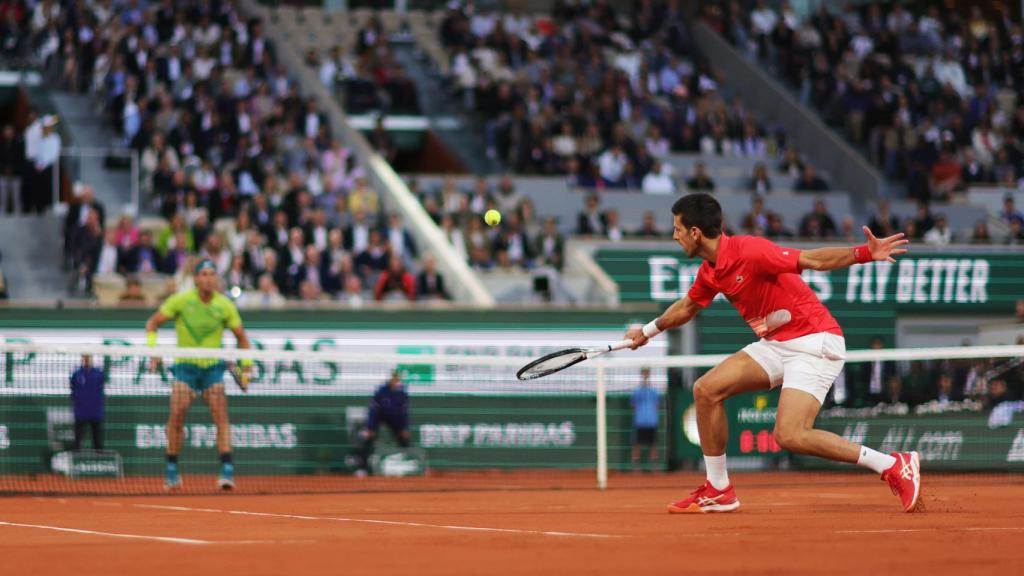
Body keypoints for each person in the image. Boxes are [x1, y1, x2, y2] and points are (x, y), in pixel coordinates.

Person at [624, 193, 921, 514]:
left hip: (814, 341)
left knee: (790, 435)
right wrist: (648, 331)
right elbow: (687, 306)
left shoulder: (750, 250)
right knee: (706, 390)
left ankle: (892, 464)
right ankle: (719, 489)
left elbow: (813, 260)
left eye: (677, 229)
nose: (674, 235)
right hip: (777, 343)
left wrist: (865, 253)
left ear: (695, 232)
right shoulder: (710, 270)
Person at [145, 259, 252, 490]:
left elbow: (242, 338)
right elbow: (152, 324)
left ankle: (227, 471)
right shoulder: (181, 301)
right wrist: (152, 352)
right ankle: (172, 470)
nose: (208, 278)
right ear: (195, 278)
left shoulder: (225, 305)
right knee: (177, 414)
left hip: (213, 369)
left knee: (221, 416)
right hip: (185, 369)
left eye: (212, 274)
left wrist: (247, 368)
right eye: (203, 274)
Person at [358, 370, 411, 475]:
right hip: (379, 416)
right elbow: (373, 410)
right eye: (393, 379)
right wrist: (370, 428)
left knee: (404, 439)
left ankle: (409, 464)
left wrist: (404, 428)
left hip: (395, 419)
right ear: (390, 379)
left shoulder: (402, 394)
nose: (395, 381)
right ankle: (362, 468)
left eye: (397, 379)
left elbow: (404, 413)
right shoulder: (381, 392)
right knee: (369, 438)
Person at [70, 355, 105, 451]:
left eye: (88, 357)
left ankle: (99, 457)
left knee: (97, 439)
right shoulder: (77, 374)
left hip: (95, 411)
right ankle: (76, 453)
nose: (87, 360)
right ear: (82, 359)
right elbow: (73, 389)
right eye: (85, 358)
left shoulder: (99, 373)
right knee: (77, 439)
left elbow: (101, 387)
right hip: (81, 412)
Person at [630, 368, 660, 469]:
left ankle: (654, 465)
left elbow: (656, 405)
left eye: (647, 375)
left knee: (653, 444)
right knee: (637, 443)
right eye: (644, 375)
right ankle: (635, 464)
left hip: (651, 422)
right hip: (640, 422)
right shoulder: (637, 391)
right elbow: (633, 405)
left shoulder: (653, 391)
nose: (645, 377)